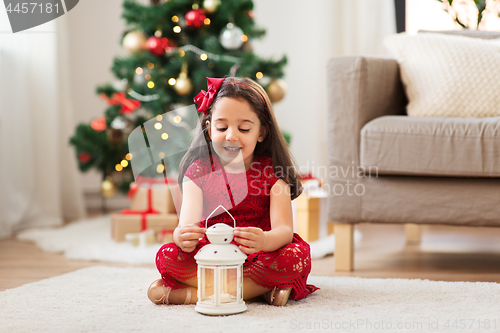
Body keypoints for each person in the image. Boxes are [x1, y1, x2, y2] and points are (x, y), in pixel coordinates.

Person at [147, 77, 318, 306]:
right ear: (209, 129)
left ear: (261, 132)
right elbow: (186, 226)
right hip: (212, 256)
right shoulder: (197, 172)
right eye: (221, 127)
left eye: (244, 128)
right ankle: (257, 292)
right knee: (166, 255)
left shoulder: (273, 173)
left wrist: (265, 240)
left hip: (258, 255)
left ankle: (198, 295)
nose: (231, 136)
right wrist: (182, 237)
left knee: (297, 255)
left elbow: (285, 230)